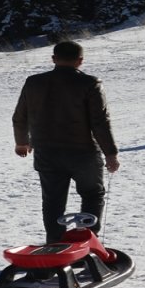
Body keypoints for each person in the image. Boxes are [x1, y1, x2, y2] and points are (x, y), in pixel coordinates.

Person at [13, 40, 120, 244]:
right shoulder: (90, 83)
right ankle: (87, 243)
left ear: (53, 59)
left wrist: (21, 142)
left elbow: (20, 116)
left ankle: (54, 244)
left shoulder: (34, 82)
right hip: (83, 153)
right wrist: (111, 153)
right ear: (80, 61)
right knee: (92, 194)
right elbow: (100, 122)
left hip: (47, 153)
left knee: (53, 201)